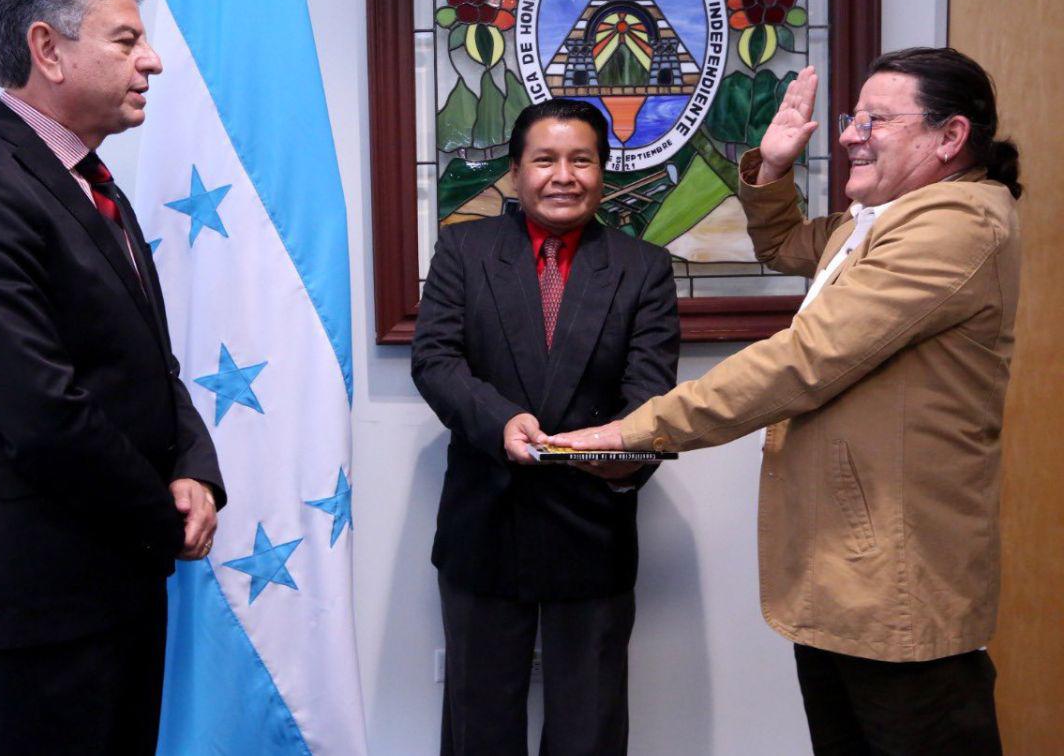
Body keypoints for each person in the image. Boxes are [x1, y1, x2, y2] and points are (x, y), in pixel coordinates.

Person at [551, 47, 1020, 754]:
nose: (850, 134)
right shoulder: (888, 218)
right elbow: (788, 245)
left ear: (949, 137)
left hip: (901, 584)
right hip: (850, 578)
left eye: (877, 119)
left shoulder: (951, 226)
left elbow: (802, 361)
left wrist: (637, 430)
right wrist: (770, 168)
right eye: (851, 116)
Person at [0, 0, 225, 755]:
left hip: (113, 581)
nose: (150, 60)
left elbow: (150, 364)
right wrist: (162, 516)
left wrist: (194, 467)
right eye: (124, 40)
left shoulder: (94, 181)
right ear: (48, 49)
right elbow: (44, 411)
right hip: (41, 599)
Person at [412, 98, 680, 755]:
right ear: (516, 170)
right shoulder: (464, 249)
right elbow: (435, 360)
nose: (564, 175)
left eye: (581, 159)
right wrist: (501, 420)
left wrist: (613, 454)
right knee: (480, 727)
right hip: (486, 518)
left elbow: (650, 393)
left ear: (603, 171)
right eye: (546, 159)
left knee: (588, 729)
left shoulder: (643, 268)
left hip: (592, 523)